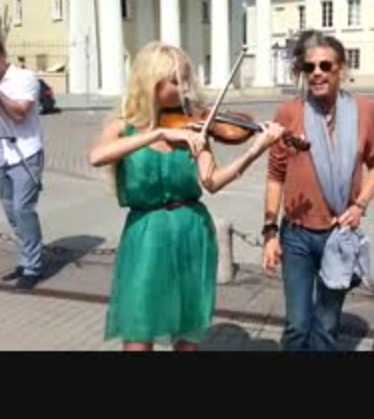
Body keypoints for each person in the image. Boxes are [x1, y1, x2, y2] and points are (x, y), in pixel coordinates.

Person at [89, 41, 284, 351]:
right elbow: (97, 157)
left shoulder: (195, 129)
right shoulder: (123, 126)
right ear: (150, 82)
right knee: (138, 330)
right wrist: (158, 133)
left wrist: (254, 151)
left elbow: (212, 182)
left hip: (191, 231)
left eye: (185, 80)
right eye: (174, 81)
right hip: (145, 234)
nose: (184, 89)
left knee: (187, 331)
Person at [261, 30, 374, 351]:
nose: (316, 72)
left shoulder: (366, 111)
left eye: (325, 65)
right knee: (296, 325)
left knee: (327, 326)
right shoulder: (289, 113)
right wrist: (270, 232)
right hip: (297, 236)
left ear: (340, 69)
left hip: (338, 235)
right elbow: (275, 176)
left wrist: (360, 205)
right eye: (309, 67)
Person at [0, 38, 46, 291]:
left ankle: (33, 267)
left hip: (26, 152)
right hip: (1, 155)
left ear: (4, 57)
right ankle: (26, 259)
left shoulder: (24, 78)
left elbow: (19, 113)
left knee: (23, 210)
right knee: (12, 214)